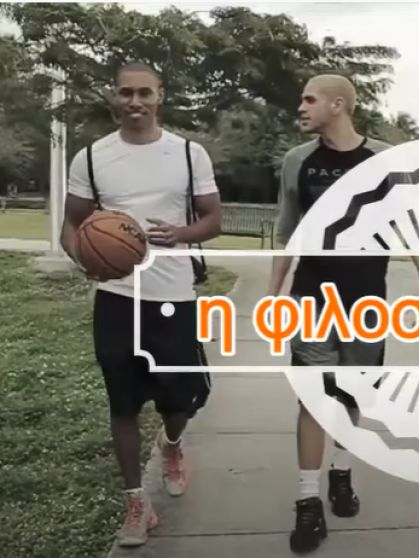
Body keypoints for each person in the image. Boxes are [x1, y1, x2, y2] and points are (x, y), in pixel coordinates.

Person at [268, 73, 419, 555]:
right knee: (312, 399)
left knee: (354, 393)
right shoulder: (297, 161)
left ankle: (341, 473)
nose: (301, 108)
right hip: (311, 298)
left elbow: (410, 225)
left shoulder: (385, 161)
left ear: (338, 105)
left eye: (309, 99)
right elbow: (287, 231)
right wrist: (274, 292)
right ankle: (307, 502)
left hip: (365, 300)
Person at [60, 61, 222, 547]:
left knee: (181, 401)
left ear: (160, 96)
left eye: (144, 93)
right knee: (123, 403)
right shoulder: (92, 157)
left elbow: (213, 219)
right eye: (126, 93)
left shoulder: (189, 154)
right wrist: (84, 260)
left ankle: (171, 445)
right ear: (115, 96)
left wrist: (182, 233)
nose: (135, 102)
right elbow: (72, 225)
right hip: (116, 299)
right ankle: (136, 503)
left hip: (172, 295)